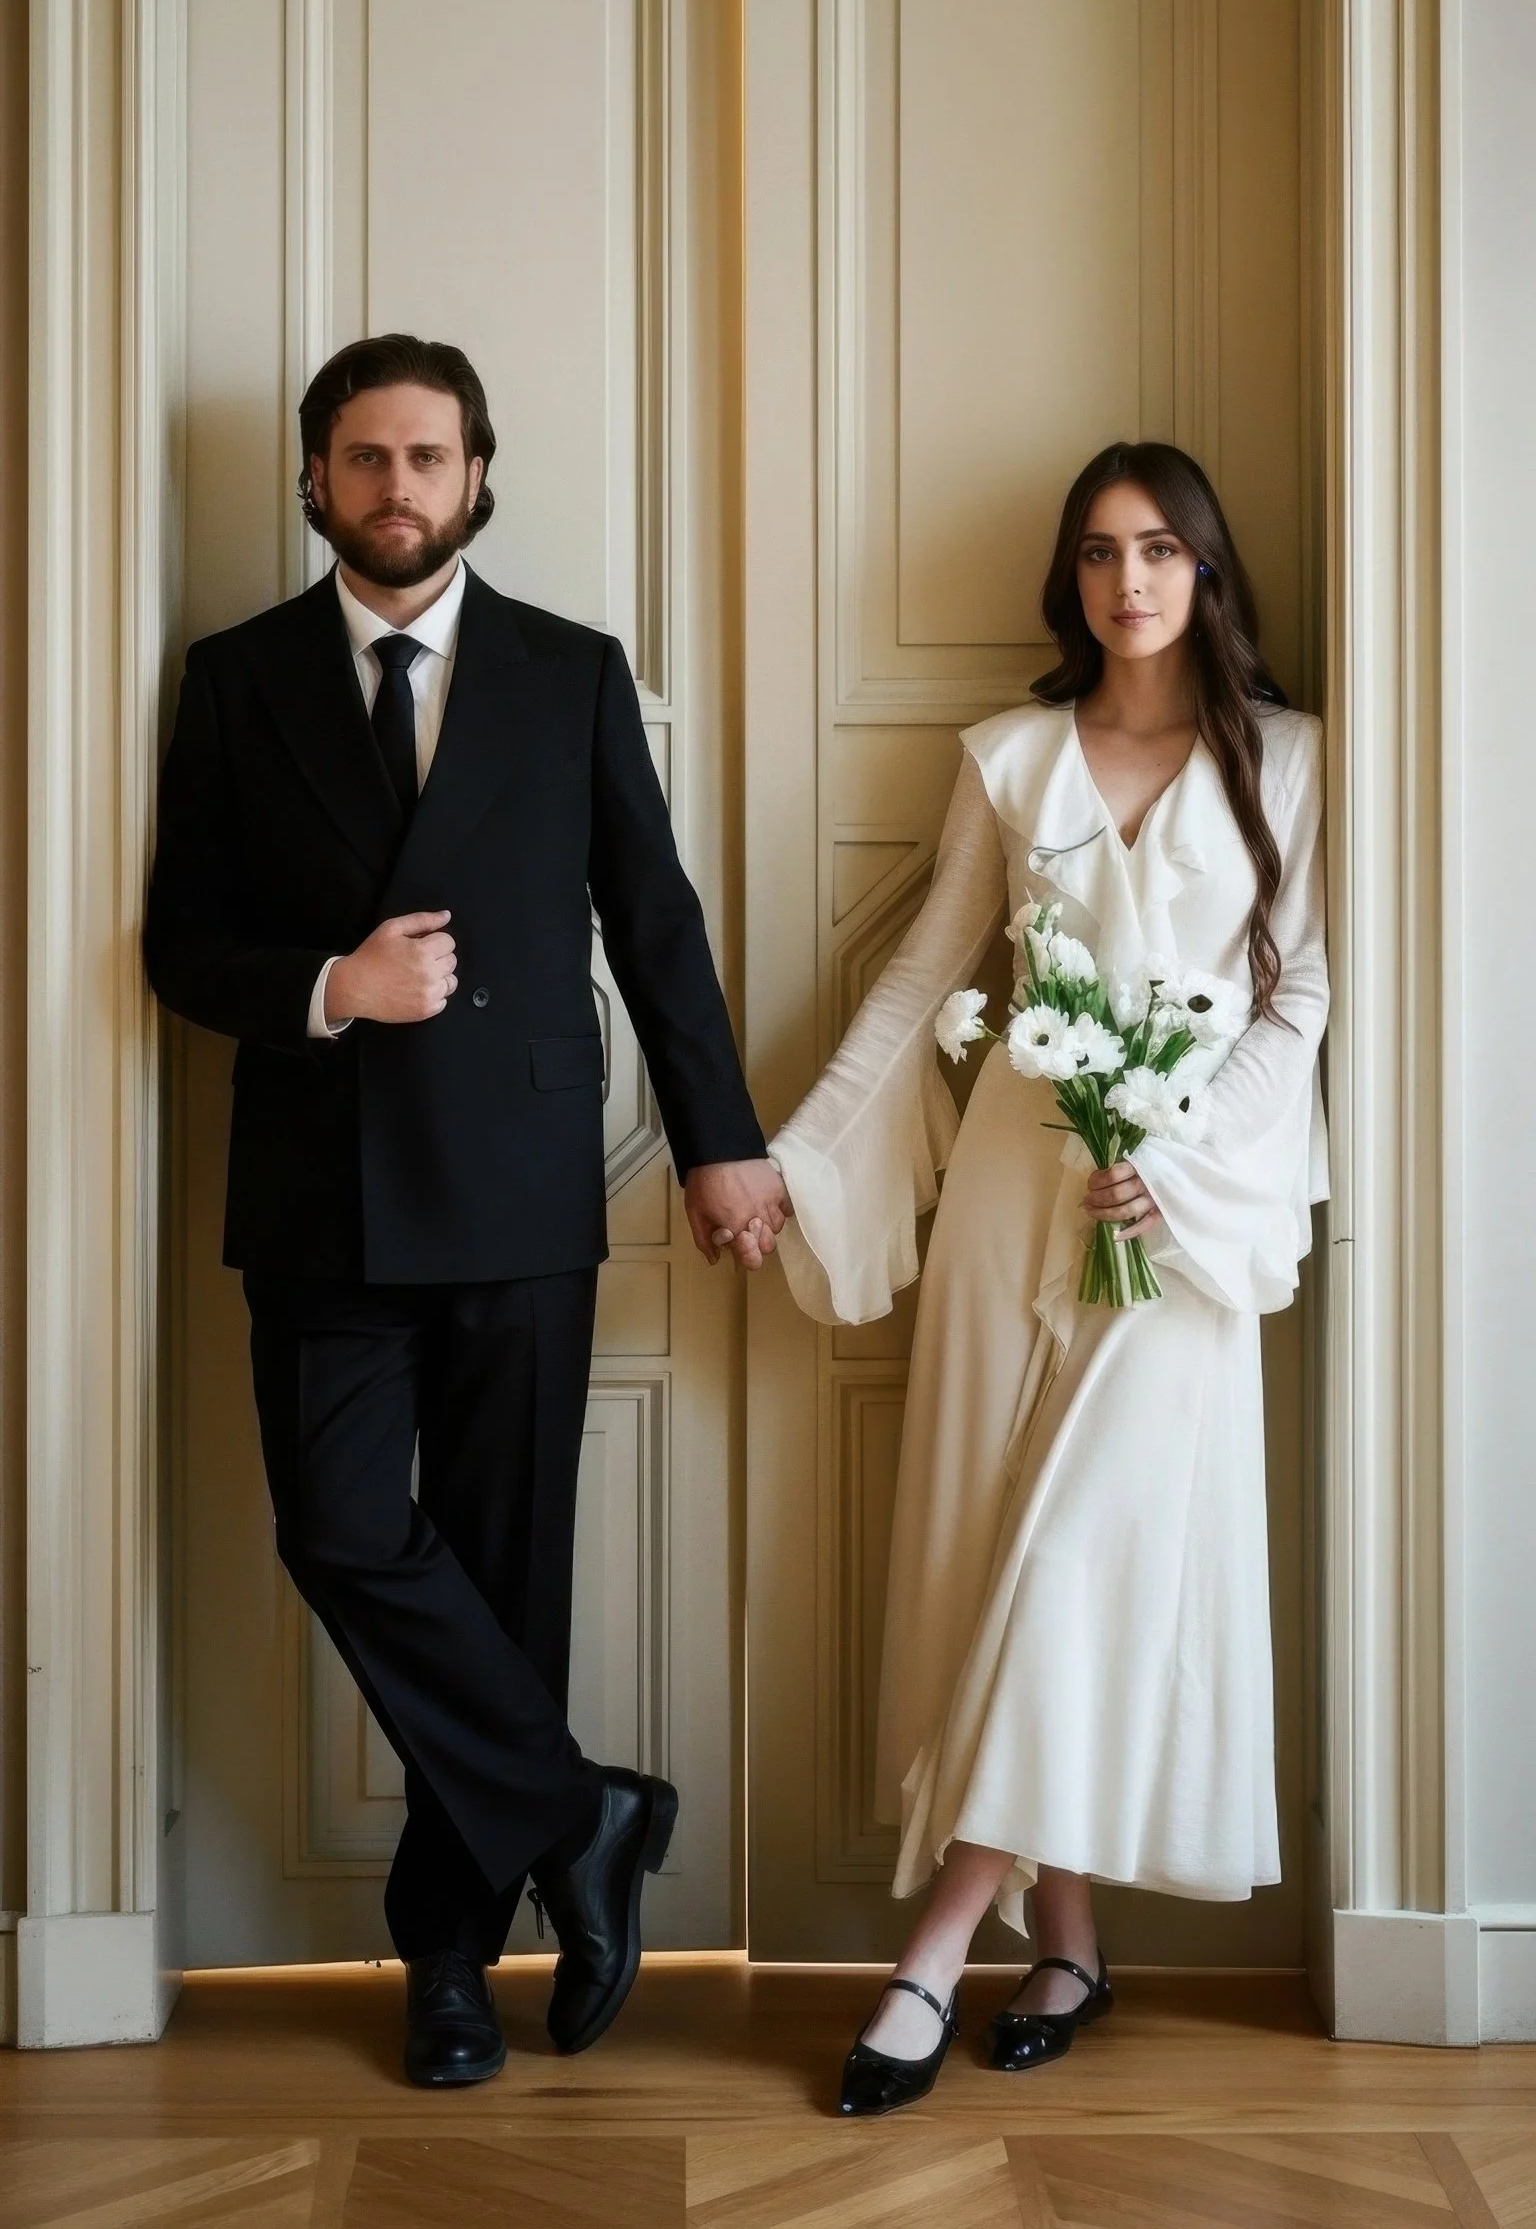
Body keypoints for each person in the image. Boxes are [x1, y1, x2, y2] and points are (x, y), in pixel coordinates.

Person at [145, 332, 788, 2089]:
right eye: (365, 457)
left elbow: (654, 920)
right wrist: (332, 988)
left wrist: (721, 1140)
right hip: (319, 1192)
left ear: (479, 477)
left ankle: (450, 1959)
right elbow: (181, 942)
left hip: (519, 1185)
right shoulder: (237, 678)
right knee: (341, 1526)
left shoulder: (568, 671)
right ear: (315, 480)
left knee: (505, 1582)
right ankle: (581, 1813)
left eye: (428, 456)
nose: (397, 487)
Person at [763, 440, 1329, 2115]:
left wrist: (1183, 1157)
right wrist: (793, 1156)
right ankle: (1067, 1943)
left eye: (1158, 550)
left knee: (1079, 1557)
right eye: (1098, 552)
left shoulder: (1294, 761)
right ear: (1069, 577)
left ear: (1207, 570)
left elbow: (1299, 996)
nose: (1127, 581)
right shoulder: (1011, 760)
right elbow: (923, 977)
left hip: (1178, 1217)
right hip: (1019, 1192)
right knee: (993, 1556)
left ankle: (933, 1951)